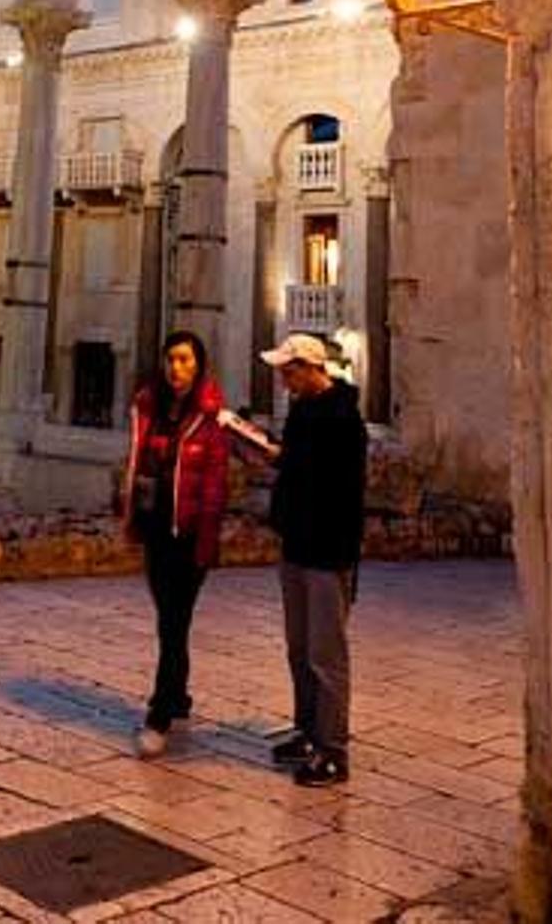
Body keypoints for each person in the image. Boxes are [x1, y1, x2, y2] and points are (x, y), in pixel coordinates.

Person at [221, 332, 367, 786]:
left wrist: (278, 457)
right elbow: (297, 463)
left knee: (327, 653)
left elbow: (334, 483)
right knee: (299, 647)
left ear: (310, 367)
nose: (283, 380)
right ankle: (308, 731)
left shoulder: (343, 419)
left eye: (289, 371)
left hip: (327, 548)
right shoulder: (304, 412)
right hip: (298, 542)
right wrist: (260, 451)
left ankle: (333, 750)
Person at [124, 329, 228, 758]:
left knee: (172, 621)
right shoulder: (149, 408)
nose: (176, 368)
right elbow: (138, 463)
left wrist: (206, 541)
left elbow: (215, 486)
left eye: (185, 360)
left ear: (199, 365)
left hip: (187, 536)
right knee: (171, 620)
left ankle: (159, 715)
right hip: (155, 528)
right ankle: (179, 695)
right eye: (171, 359)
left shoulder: (210, 417)